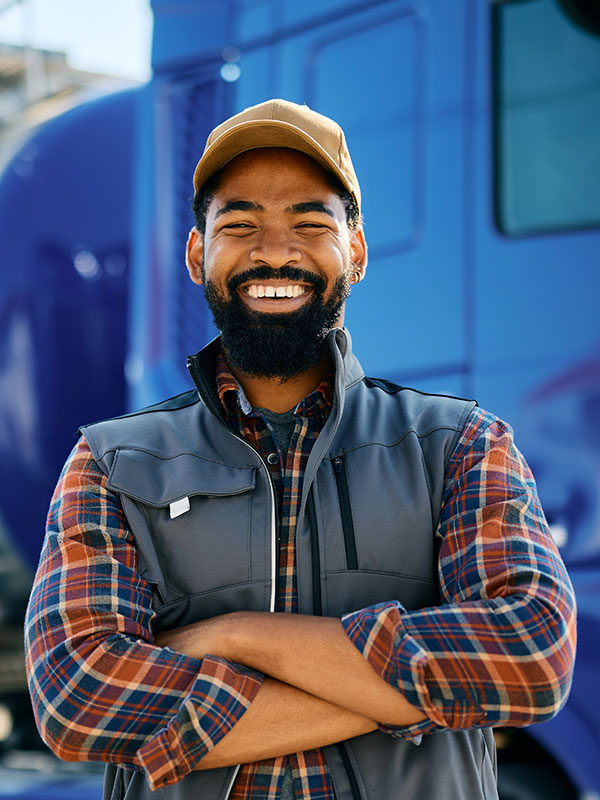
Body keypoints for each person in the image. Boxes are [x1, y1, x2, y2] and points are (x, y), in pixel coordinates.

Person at [25, 99, 576, 800]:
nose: (275, 252)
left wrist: (237, 636)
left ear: (357, 250)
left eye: (311, 224)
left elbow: (531, 658)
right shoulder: (113, 464)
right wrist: (412, 692)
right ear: (199, 255)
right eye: (240, 225)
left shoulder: (460, 445)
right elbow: (79, 697)